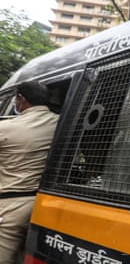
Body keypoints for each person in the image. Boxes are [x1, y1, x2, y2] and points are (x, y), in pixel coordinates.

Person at [0, 81, 59, 264]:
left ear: (20, 99)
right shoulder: (62, 122)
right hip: (46, 205)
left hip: (10, 207)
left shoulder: (6, 128)